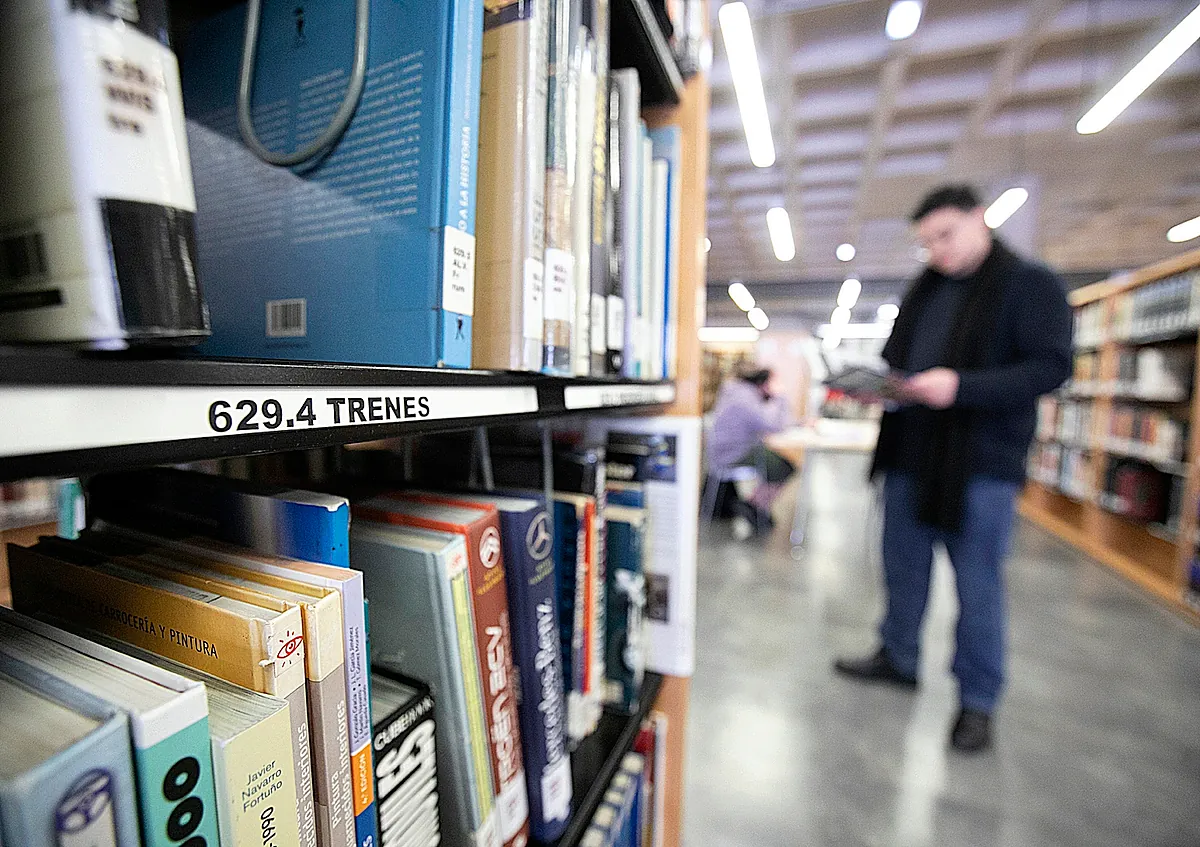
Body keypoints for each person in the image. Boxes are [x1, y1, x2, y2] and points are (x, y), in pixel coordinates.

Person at [834, 185, 1072, 753]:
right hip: (910, 454)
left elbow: (1050, 368)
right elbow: (900, 361)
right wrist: (885, 389)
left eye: (946, 235)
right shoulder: (925, 290)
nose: (937, 250)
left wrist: (961, 388)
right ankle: (898, 656)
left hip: (980, 464)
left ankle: (978, 701)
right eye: (926, 242)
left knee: (978, 587)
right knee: (903, 570)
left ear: (980, 220)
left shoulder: (1030, 284)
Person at [707, 364, 793, 539]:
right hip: (732, 455)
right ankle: (753, 505)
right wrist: (781, 398)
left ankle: (753, 504)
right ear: (763, 383)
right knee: (784, 467)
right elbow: (773, 425)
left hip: (730, 450)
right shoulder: (746, 398)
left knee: (777, 464)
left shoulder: (739, 392)